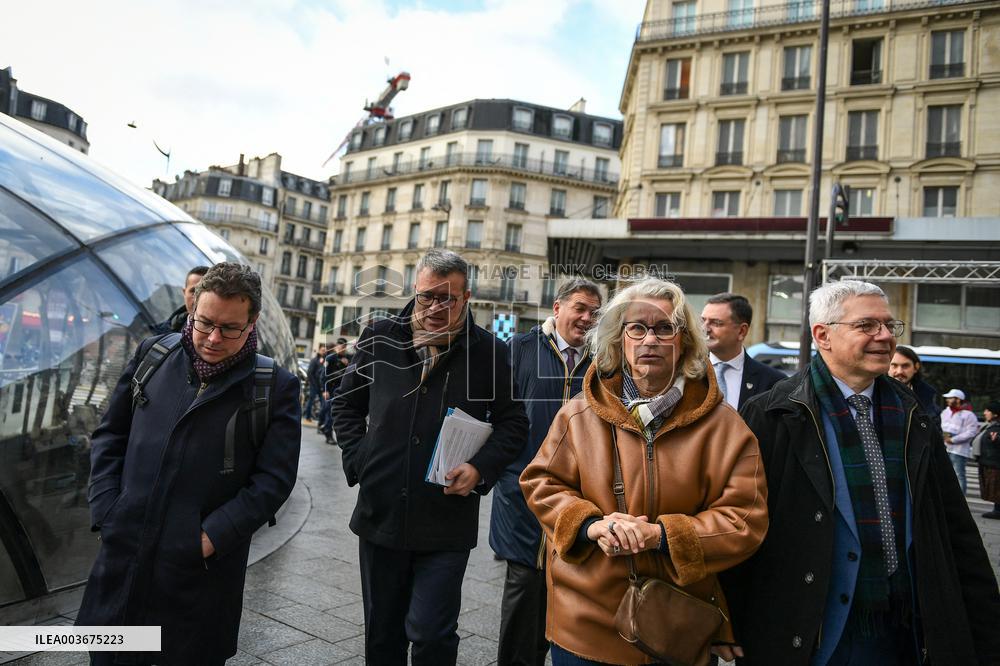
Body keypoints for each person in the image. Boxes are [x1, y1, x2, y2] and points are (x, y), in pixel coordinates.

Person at [722, 280, 1000, 665]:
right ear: (823, 335)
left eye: (889, 325)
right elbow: (742, 525)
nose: (885, 336)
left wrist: (986, 626)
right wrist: (728, 621)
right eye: (867, 325)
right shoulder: (771, 413)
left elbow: (955, 528)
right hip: (809, 630)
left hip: (908, 628)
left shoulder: (913, 414)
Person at [520, 277, 767, 666]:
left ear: (684, 341)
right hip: (584, 621)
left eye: (665, 328)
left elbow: (745, 518)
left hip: (678, 622)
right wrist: (590, 525)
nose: (650, 339)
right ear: (619, 341)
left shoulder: (726, 426)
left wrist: (663, 535)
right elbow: (542, 483)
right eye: (637, 327)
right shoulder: (578, 415)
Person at [77, 262, 301, 666]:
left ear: (252, 323)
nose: (213, 338)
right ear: (192, 307)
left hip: (200, 579)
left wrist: (210, 537)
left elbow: (275, 480)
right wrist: (108, 509)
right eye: (204, 323)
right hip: (123, 562)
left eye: (230, 328)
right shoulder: (154, 354)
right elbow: (111, 434)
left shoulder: (276, 387)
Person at [332, 249, 528, 666]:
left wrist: (479, 469)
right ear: (415, 291)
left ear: (467, 297)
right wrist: (360, 459)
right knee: (382, 634)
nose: (436, 308)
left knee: (432, 634)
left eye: (448, 299)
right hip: (381, 511)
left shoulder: (490, 351)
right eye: (427, 297)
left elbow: (514, 424)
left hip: (446, 519)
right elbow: (346, 406)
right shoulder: (378, 335)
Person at [489, 277, 602, 666]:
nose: (587, 318)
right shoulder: (518, 348)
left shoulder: (602, 362)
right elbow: (495, 415)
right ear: (557, 308)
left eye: (594, 312)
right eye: (580, 308)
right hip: (520, 491)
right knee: (523, 582)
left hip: (578, 494)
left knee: (566, 587)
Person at [701, 293, 785, 410]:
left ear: (741, 331)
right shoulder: (685, 373)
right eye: (703, 321)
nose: (705, 329)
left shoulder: (773, 382)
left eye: (716, 323)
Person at [941, 388, 979, 495]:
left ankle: (961, 498)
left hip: (959, 450)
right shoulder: (945, 412)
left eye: (950, 398)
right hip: (944, 448)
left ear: (958, 399)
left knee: (959, 474)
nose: (947, 400)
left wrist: (953, 439)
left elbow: (971, 432)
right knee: (944, 474)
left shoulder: (968, 415)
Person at [888, 345, 939, 424]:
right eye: (894, 365)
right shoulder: (875, 392)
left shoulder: (928, 397)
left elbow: (935, 433)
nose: (899, 371)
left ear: (916, 367)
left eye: (905, 366)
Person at [152, 265, 210, 333]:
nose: (198, 299)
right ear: (184, 293)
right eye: (194, 291)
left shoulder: (219, 337)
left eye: (204, 292)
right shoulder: (163, 331)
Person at [319, 337, 351, 444]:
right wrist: (325, 390)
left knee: (332, 412)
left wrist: (348, 365)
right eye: (340, 346)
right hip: (331, 388)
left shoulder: (346, 359)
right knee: (330, 411)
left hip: (339, 389)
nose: (341, 348)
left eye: (343, 347)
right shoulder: (330, 358)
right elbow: (323, 375)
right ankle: (328, 435)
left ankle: (325, 428)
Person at [976, 401, 1000, 519]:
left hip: (995, 463)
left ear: (995, 414)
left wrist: (996, 440)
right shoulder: (989, 426)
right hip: (990, 462)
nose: (985, 413)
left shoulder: (997, 428)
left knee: (996, 487)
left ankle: (998, 510)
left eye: (987, 411)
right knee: (993, 487)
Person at [303, 343, 327, 420]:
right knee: (311, 400)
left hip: (321, 385)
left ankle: (321, 419)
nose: (324, 351)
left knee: (323, 402)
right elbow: (310, 373)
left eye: (325, 350)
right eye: (322, 350)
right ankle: (308, 416)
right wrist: (313, 384)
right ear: (319, 350)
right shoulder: (314, 360)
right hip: (314, 385)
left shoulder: (324, 360)